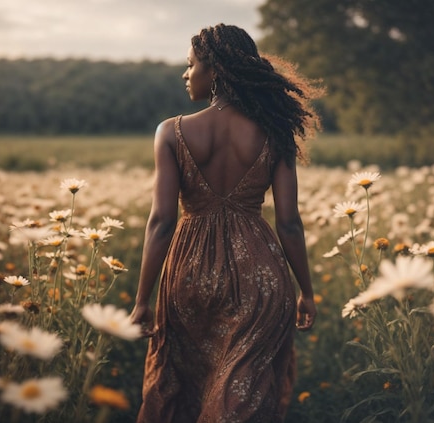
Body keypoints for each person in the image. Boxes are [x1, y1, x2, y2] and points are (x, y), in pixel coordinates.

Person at [130, 23, 322, 423]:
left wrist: (142, 300)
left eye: (191, 65)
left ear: (214, 70)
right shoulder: (275, 132)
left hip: (189, 275)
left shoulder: (171, 132)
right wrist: (306, 290)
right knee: (243, 396)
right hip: (261, 281)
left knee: (186, 389)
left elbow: (161, 223)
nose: (186, 74)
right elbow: (289, 223)